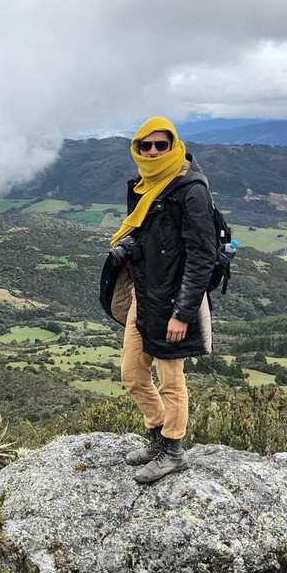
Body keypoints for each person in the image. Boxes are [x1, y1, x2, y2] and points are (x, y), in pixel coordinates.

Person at [99, 116, 216, 484]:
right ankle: (157, 435)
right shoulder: (144, 185)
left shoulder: (190, 189)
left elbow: (201, 255)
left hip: (175, 302)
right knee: (133, 373)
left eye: (160, 145)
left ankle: (174, 452)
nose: (152, 151)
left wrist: (182, 313)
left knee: (171, 378)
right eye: (145, 145)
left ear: (173, 145)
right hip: (144, 294)